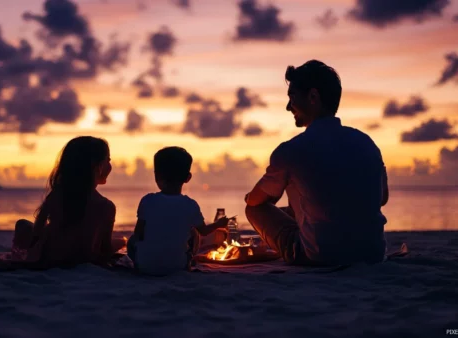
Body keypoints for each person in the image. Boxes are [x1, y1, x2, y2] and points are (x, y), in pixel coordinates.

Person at [244, 60, 389, 266]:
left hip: (321, 255)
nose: (288, 107)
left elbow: (254, 202)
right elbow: (382, 198)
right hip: (373, 253)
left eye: (292, 97)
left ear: (313, 97)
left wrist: (252, 197)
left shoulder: (290, 150)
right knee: (302, 205)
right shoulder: (367, 143)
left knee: (254, 210)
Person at [9, 136, 123, 268]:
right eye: (108, 160)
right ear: (97, 166)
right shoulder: (107, 206)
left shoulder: (57, 194)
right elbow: (105, 248)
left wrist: (33, 250)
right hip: (82, 258)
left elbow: (38, 229)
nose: (110, 165)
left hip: (51, 255)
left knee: (22, 224)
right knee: (122, 242)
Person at [127, 146, 230, 276]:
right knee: (195, 233)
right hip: (177, 266)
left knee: (132, 240)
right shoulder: (191, 205)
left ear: (156, 175)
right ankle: (188, 263)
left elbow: (139, 233)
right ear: (188, 177)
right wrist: (218, 224)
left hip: (145, 267)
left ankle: (139, 263)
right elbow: (203, 231)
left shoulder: (147, 200)